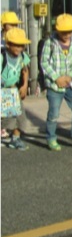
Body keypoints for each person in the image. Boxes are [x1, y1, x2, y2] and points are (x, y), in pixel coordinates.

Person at [41, 13, 72, 151]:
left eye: (69, 31)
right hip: (54, 86)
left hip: (70, 84)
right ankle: (51, 137)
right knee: (54, 113)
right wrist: (56, 78)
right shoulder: (50, 43)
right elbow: (44, 62)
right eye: (63, 32)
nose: (67, 35)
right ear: (57, 30)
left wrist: (70, 76)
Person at [1, 28, 31, 150]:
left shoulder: (22, 56)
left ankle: (16, 139)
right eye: (16, 46)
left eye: (21, 46)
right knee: (9, 118)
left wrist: (24, 85)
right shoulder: (2, 57)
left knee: (20, 116)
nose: (19, 49)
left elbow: (25, 70)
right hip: (4, 90)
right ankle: (12, 137)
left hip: (14, 89)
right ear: (8, 44)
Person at [1, 11, 22, 141]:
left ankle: (7, 130)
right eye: (11, 24)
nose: (14, 26)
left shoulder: (17, 37)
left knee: (10, 107)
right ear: (3, 25)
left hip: (12, 77)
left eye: (16, 24)